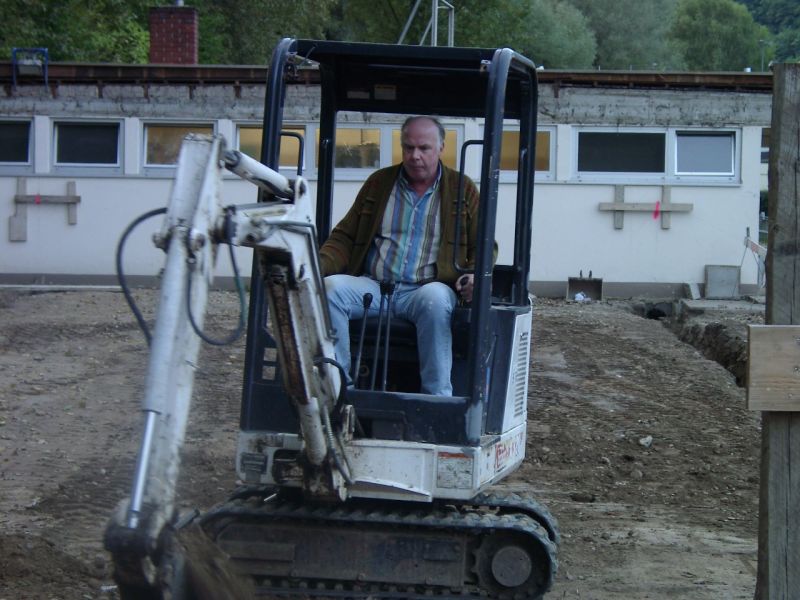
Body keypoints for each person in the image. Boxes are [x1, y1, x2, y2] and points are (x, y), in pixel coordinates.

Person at [319, 115, 480, 396]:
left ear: (441, 147)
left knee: (437, 300)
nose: (414, 156)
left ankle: (437, 399)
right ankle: (338, 389)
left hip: (424, 289)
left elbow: (483, 244)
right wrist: (315, 265)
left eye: (423, 148)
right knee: (330, 290)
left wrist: (474, 274)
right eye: (408, 148)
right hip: (376, 286)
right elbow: (345, 236)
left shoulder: (462, 189)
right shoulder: (379, 184)